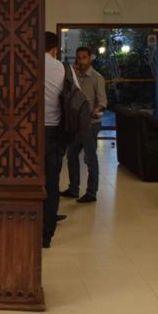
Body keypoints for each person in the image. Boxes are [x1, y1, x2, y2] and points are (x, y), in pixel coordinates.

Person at [61, 45, 107, 203]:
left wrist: (94, 111)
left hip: (90, 124)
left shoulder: (96, 78)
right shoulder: (74, 77)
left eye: (84, 58)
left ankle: (91, 192)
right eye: (78, 58)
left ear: (90, 59)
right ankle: (73, 188)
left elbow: (102, 102)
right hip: (76, 124)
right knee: (71, 156)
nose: (81, 61)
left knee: (90, 159)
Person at [43, 31, 67, 248]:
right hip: (54, 133)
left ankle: (25, 228)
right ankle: (46, 235)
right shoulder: (62, 68)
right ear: (55, 50)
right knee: (51, 184)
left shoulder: (25, 66)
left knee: (28, 183)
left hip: (27, 135)